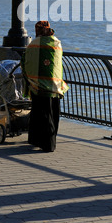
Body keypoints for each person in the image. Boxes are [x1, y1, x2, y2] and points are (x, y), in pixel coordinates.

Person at [21, 21, 69, 152]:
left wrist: (30, 79)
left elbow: (26, 62)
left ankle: (45, 143)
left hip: (39, 86)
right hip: (56, 85)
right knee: (53, 114)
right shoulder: (57, 43)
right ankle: (50, 140)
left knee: (41, 114)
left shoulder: (34, 44)